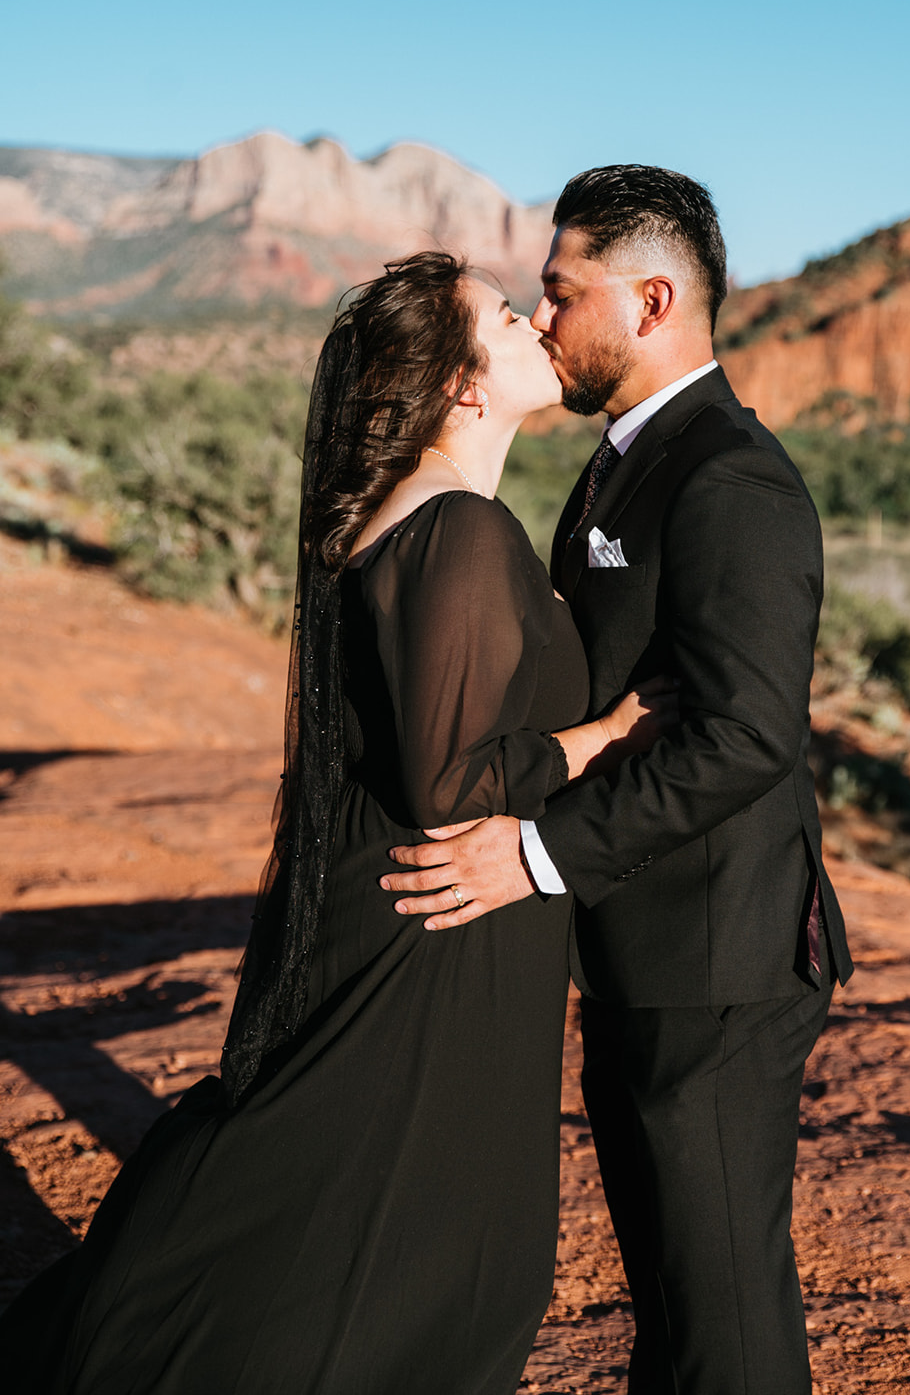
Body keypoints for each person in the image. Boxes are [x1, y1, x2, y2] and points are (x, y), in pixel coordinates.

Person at [0, 249, 676, 1395]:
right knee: (385, 1238)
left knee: (359, 1218)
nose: (534, 323)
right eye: (508, 315)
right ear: (464, 385)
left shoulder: (435, 516)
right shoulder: (457, 529)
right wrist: (603, 739)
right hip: (433, 938)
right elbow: (454, 784)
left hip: (430, 923)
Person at [382, 169, 854, 1395]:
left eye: (561, 290)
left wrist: (535, 853)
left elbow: (747, 735)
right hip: (645, 943)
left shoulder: (730, 478)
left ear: (651, 300)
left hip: (717, 961)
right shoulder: (622, 461)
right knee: (670, 1301)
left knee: (723, 1315)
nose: (542, 319)